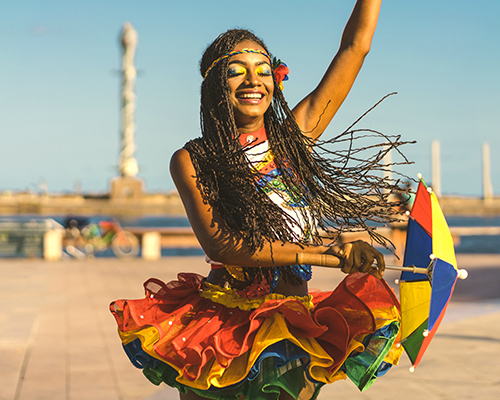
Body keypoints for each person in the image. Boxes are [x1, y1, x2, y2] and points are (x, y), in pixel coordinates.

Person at [111, 1, 412, 399]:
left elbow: (355, 48)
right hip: (223, 326)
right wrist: (330, 254)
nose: (253, 81)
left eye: (264, 71)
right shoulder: (193, 159)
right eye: (237, 72)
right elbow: (225, 246)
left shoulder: (295, 141)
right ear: (215, 84)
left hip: (294, 321)